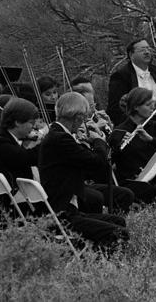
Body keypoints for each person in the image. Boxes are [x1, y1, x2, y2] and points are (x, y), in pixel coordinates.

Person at [38, 92, 129, 250]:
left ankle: (95, 258)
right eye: (84, 118)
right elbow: (97, 163)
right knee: (119, 232)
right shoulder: (61, 139)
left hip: (67, 207)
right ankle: (99, 265)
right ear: (78, 117)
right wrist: (99, 140)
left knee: (118, 221)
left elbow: (87, 164)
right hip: (63, 213)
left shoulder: (57, 134)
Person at [106, 38, 156, 124]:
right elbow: (115, 110)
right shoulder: (121, 76)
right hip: (137, 126)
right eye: (142, 50)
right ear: (131, 54)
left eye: (148, 49)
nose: (147, 52)